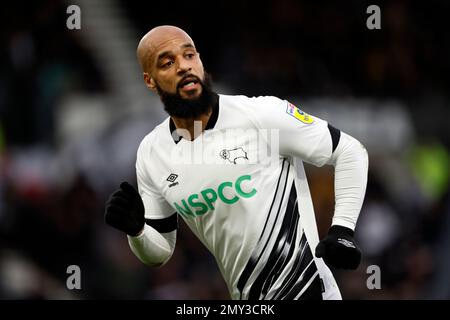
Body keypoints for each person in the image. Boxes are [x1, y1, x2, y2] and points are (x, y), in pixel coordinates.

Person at [104, 25, 369, 300]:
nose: (184, 66)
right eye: (168, 62)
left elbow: (350, 151)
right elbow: (159, 253)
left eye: (189, 55)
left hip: (309, 292)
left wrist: (342, 229)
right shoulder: (151, 153)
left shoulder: (262, 115)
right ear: (150, 80)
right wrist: (136, 231)